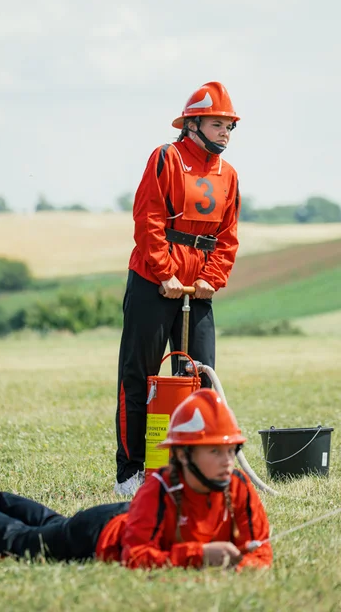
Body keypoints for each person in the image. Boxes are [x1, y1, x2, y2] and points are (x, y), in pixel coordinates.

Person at [0, 389, 272, 570]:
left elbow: (261, 555)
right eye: (214, 451)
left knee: (50, 525)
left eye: (231, 450)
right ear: (183, 455)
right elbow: (135, 557)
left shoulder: (239, 489)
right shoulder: (159, 490)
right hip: (97, 535)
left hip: (127, 519)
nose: (228, 461)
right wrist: (199, 556)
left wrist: (240, 567)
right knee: (24, 543)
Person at [115, 81, 242, 495]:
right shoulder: (165, 158)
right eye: (219, 124)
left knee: (200, 376)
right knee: (140, 376)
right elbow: (148, 219)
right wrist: (165, 272)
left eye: (230, 126)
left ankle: (196, 471)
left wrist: (211, 278)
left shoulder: (229, 175)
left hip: (198, 288)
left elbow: (228, 236)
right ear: (193, 124)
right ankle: (132, 472)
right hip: (155, 281)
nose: (226, 132)